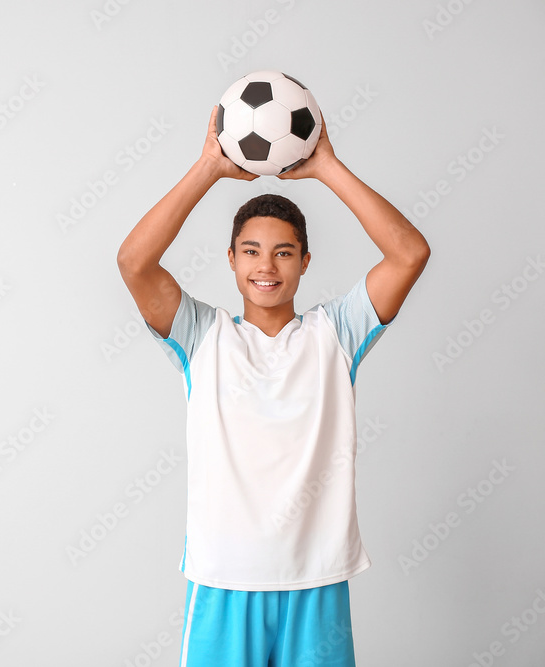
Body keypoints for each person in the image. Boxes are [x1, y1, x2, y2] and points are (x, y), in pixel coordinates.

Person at [116, 106, 430, 666]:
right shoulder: (201, 335)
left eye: (284, 252)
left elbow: (410, 253)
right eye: (252, 251)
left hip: (317, 578)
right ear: (232, 261)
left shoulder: (337, 331)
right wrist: (207, 168)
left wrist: (327, 167)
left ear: (305, 262)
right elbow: (134, 262)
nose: (268, 266)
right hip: (223, 579)